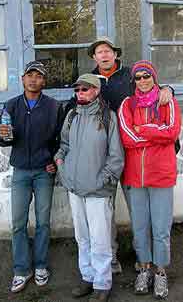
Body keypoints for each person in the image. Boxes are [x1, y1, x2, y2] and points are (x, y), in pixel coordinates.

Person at [65, 37, 172, 274]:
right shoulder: (90, 81)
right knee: (105, 210)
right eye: (98, 52)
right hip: (102, 156)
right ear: (94, 57)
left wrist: (167, 89)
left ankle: (142, 256)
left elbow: (153, 91)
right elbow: (77, 104)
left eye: (107, 51)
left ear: (115, 54)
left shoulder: (131, 75)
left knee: (138, 209)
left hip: (133, 154)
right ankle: (111, 257)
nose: (103, 55)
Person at [0, 61, 63, 293]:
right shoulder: (11, 105)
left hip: (45, 171)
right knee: (18, 223)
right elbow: (2, 136)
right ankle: (22, 269)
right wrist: (4, 137)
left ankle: (41, 265)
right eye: (30, 75)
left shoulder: (54, 106)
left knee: (43, 222)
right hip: (21, 171)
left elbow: (59, 140)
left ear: (44, 81)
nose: (34, 79)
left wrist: (54, 161)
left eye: (38, 76)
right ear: (23, 79)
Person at [55, 74, 124, 302]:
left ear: (95, 90)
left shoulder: (108, 117)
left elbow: (116, 157)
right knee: (82, 237)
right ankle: (88, 277)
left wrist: (103, 179)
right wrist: (61, 164)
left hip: (97, 190)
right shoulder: (72, 115)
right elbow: (63, 144)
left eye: (84, 89)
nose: (80, 93)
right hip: (74, 187)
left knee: (100, 238)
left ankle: (102, 283)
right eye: (77, 90)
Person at [118, 60, 181, 299]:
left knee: (161, 228)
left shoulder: (168, 101)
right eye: (138, 77)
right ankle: (144, 268)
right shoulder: (127, 104)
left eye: (147, 76)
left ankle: (161, 271)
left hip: (162, 174)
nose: (142, 81)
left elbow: (172, 132)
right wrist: (157, 130)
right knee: (140, 227)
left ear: (154, 77)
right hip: (135, 176)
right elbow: (127, 138)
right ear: (133, 81)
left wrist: (143, 129)